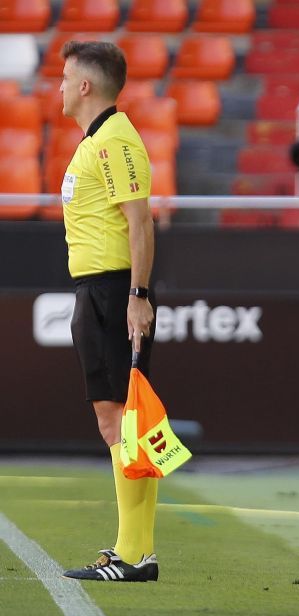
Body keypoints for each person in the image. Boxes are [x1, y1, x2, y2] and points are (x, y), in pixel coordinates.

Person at [58, 41, 159, 582]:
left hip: (113, 290)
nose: (58, 87)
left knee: (120, 418)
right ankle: (136, 550)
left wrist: (137, 295)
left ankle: (134, 554)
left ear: (84, 86)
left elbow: (140, 221)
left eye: (64, 77)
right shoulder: (98, 140)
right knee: (122, 419)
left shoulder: (115, 140)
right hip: (99, 290)